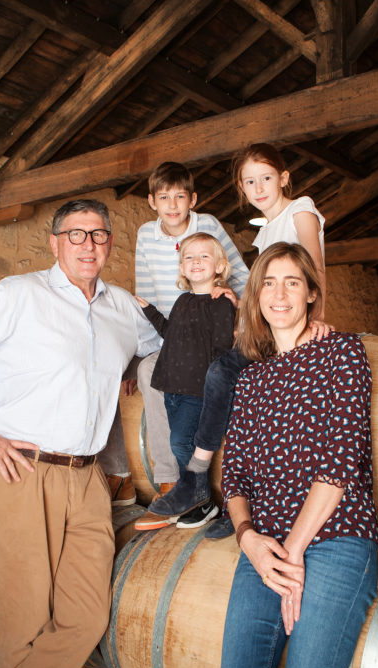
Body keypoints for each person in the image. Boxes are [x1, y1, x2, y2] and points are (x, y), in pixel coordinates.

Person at [0, 199, 161, 668]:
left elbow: (168, 351)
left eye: (98, 235)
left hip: (89, 478)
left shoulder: (124, 308)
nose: (88, 245)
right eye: (76, 234)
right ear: (54, 242)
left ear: (109, 243)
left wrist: (209, 304)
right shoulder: (18, 295)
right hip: (22, 470)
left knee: (87, 615)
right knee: (25, 621)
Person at [148, 144, 328, 538]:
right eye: (249, 181)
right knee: (241, 399)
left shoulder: (300, 209)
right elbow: (264, 288)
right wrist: (237, 299)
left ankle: (197, 475)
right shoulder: (265, 231)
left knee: (221, 372)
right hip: (266, 332)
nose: (258, 187)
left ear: (283, 178)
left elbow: (311, 269)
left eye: (266, 178)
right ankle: (235, 502)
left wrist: (315, 320)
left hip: (292, 330)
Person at [218, 243, 378, 668]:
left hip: (336, 538)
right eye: (268, 283)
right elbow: (233, 474)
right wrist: (247, 537)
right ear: (256, 296)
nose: (279, 294)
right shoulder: (250, 378)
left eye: (292, 282)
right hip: (266, 545)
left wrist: (295, 552)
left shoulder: (342, 353)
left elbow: (340, 462)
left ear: (311, 293)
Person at [133, 162, 249, 507]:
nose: (172, 205)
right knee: (146, 370)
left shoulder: (208, 225)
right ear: (152, 201)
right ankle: (169, 477)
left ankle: (203, 473)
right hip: (173, 335)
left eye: (179, 196)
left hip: (211, 329)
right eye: (164, 197)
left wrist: (239, 307)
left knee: (215, 373)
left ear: (192, 199)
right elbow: (147, 293)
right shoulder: (144, 235)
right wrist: (143, 350)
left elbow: (239, 272)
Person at [132, 232, 237, 530]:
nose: (196, 262)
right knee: (178, 441)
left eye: (204, 256)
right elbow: (170, 333)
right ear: (181, 268)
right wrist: (149, 311)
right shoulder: (182, 301)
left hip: (197, 388)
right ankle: (196, 499)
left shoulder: (221, 304)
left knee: (180, 441)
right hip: (172, 387)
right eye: (189, 257)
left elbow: (220, 349)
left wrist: (216, 387)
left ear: (219, 266)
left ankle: (201, 498)